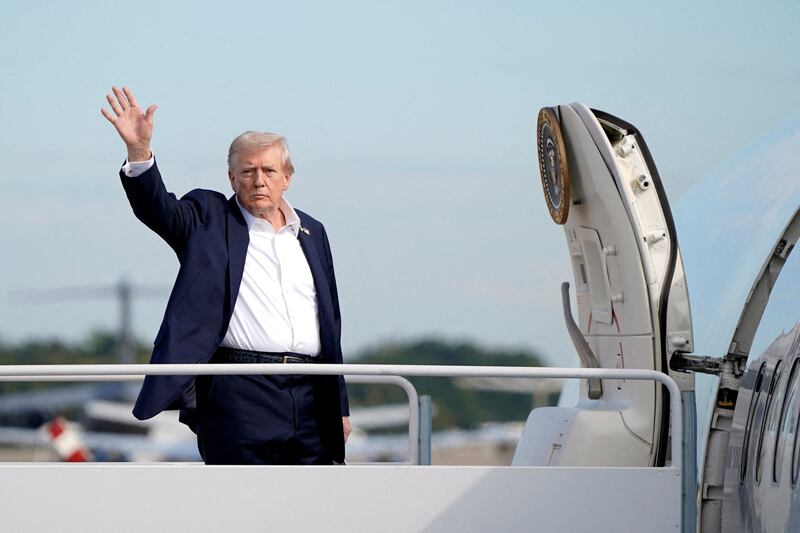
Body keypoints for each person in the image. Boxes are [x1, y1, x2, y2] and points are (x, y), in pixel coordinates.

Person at [101, 86, 350, 465]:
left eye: (268, 170)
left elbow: (330, 324)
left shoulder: (313, 232)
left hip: (311, 393)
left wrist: (340, 404)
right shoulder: (208, 218)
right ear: (232, 179)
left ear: (288, 177)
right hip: (239, 390)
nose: (258, 181)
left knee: (310, 507)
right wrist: (139, 151)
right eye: (247, 172)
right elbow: (158, 210)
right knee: (239, 506)